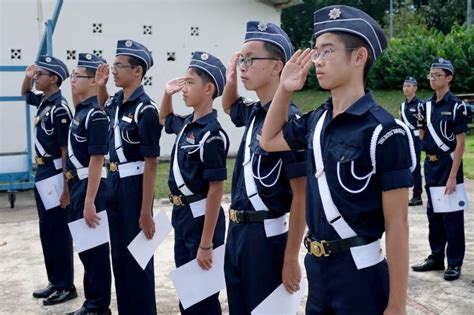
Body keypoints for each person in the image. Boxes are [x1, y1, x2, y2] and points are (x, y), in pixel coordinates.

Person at [261, 5, 414, 314]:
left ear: (359, 57)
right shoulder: (316, 120)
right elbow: (268, 139)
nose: (317, 60)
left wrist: (397, 304)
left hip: (361, 276)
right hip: (317, 272)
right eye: (316, 52)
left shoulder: (384, 131)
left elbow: (398, 224)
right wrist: (285, 89)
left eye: (327, 51)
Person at [221, 21, 307, 314]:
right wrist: (231, 75)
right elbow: (229, 104)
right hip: (237, 232)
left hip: (266, 237)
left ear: (276, 68)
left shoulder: (289, 123)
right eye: (241, 59)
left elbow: (301, 195)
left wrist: (290, 257)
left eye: (250, 59)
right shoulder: (255, 112)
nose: (244, 66)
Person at [159, 51, 228, 314]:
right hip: (183, 215)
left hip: (201, 219)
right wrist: (167, 93)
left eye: (189, 83)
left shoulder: (211, 134)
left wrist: (206, 243)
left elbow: (216, 190)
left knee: (203, 295)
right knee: (188, 290)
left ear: (208, 88)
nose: (183, 88)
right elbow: (164, 119)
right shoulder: (188, 124)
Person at [95, 40, 162, 314]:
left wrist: (146, 210)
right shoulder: (117, 102)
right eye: (114, 66)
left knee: (138, 260)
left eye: (119, 66)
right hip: (113, 183)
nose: (114, 71)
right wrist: (100, 85)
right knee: (119, 258)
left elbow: (151, 163)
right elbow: (103, 107)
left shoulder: (146, 109)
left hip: (134, 187)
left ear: (137, 71)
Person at [21, 55, 77, 306]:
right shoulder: (44, 102)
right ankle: (55, 280)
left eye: (40, 75)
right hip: (42, 173)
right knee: (47, 230)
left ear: (54, 79)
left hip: (55, 173)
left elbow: (66, 150)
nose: (36, 78)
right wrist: (28, 74)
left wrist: (66, 187)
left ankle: (66, 285)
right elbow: (24, 93)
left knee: (59, 231)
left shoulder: (59, 108)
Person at [411, 58, 468, 281]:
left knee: (452, 216)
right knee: (434, 214)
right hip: (432, 164)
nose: (432, 78)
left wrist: (453, 175)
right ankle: (436, 257)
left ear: (449, 78)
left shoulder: (456, 106)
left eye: (437, 75)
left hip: (449, 164)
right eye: (431, 74)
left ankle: (454, 262)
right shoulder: (425, 105)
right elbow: (422, 132)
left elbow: (461, 142)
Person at [65, 53, 112, 315]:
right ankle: (91, 301)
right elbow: (76, 96)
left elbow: (97, 160)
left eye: (77, 76)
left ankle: (98, 306)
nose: (72, 80)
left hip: (89, 186)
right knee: (85, 250)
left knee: (94, 252)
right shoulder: (82, 110)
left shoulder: (95, 115)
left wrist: (90, 201)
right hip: (76, 186)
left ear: (93, 81)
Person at [400, 76, 423, 206]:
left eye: (408, 86)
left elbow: (423, 125)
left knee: (415, 166)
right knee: (405, 166)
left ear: (415, 88)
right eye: (404, 86)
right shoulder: (403, 105)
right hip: (406, 139)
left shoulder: (420, 105)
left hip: (416, 139)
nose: (406, 88)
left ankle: (417, 195)